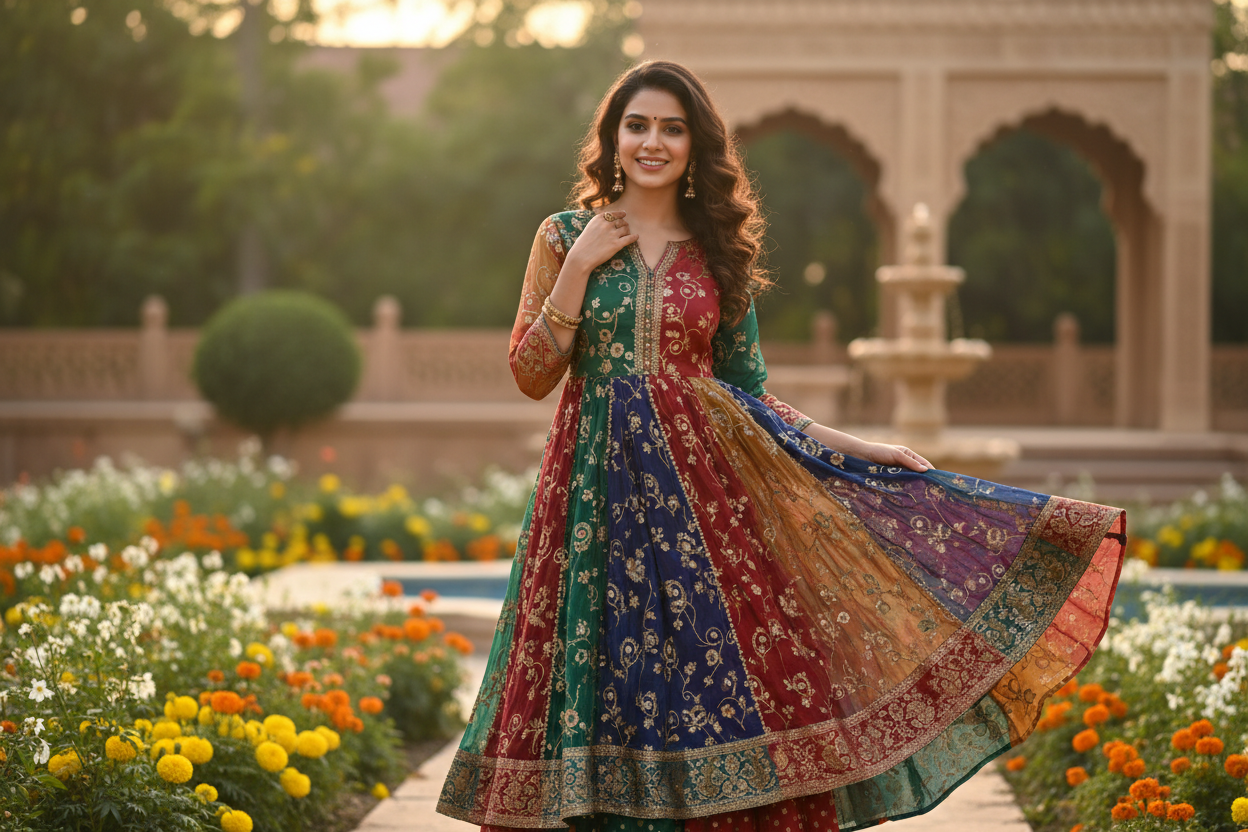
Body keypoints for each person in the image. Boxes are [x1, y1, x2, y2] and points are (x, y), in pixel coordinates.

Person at [438, 60, 1125, 832]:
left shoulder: (716, 252)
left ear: (695, 146)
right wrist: (580, 268)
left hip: (700, 507)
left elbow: (749, 394)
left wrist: (860, 448)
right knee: (603, 678)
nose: (653, 142)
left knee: (705, 680)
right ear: (612, 138)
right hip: (595, 495)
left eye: (672, 128)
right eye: (637, 126)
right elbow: (532, 374)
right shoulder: (564, 235)